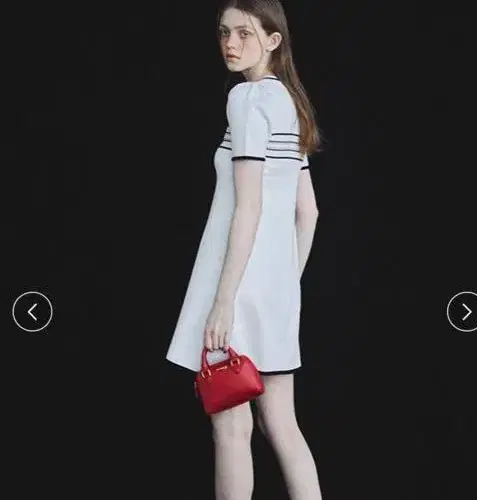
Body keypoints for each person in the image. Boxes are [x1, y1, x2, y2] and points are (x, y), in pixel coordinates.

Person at [166, 0, 322, 498]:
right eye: (223, 32)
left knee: (231, 429)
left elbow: (248, 206)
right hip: (272, 287)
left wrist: (224, 299)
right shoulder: (289, 102)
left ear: (274, 41)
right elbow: (309, 212)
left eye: (244, 33)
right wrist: (284, 284)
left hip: (234, 284)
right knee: (283, 424)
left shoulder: (247, 98)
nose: (230, 44)